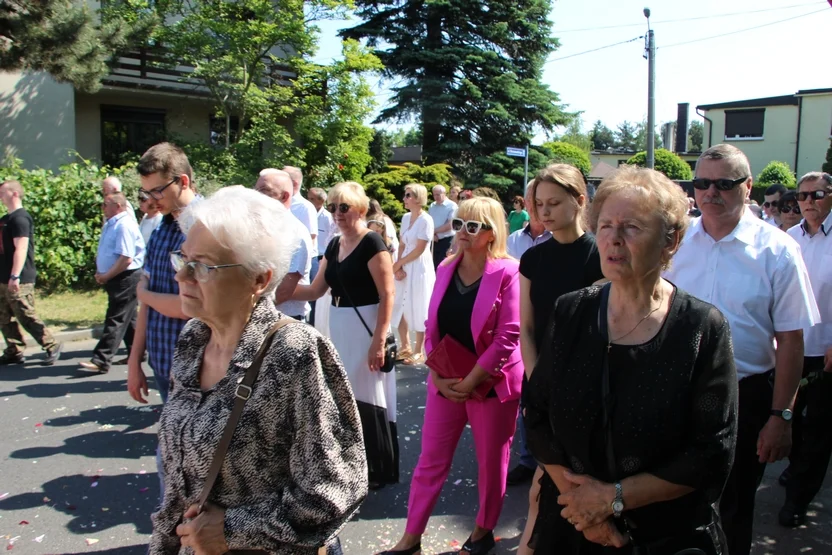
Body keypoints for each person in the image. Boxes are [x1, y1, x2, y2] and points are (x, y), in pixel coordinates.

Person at [525, 166, 739, 554]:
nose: (613, 239)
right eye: (605, 225)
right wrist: (584, 508)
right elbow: (537, 416)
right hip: (571, 525)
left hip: (665, 536)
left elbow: (712, 451)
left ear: (670, 241)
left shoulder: (701, 328)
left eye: (632, 227)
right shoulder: (571, 312)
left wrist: (611, 498)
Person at [148, 186, 367, 555]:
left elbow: (336, 485)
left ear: (260, 279)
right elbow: (178, 486)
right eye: (182, 259)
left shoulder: (295, 351)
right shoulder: (193, 340)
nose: (182, 276)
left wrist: (232, 530)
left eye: (201, 266)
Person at [664, 144, 819, 555]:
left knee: (731, 510)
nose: (711, 192)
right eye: (702, 183)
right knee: (668, 501)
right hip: (675, 392)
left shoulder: (778, 250)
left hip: (743, 396)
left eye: (724, 183)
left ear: (747, 187)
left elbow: (791, 340)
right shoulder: (675, 244)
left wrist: (781, 416)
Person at [381, 197, 521, 555]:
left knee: (491, 464)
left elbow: (508, 335)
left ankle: (482, 532)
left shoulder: (508, 271)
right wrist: (437, 374)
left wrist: (472, 380)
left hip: (490, 383)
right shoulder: (445, 267)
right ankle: (410, 539)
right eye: (458, 224)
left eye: (472, 227)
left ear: (491, 233)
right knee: (430, 461)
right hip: (447, 380)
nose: (461, 232)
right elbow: (432, 326)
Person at [514, 164, 604, 554]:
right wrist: (537, 384)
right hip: (544, 386)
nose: (544, 212)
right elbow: (527, 328)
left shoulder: (602, 254)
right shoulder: (533, 259)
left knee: (560, 485)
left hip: (592, 388)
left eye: (554, 203)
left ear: (580, 201)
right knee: (544, 485)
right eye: (538, 204)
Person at [293, 181, 399, 489]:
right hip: (339, 322)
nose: (337, 213)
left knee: (367, 394)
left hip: (365, 323)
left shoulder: (372, 242)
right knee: (343, 393)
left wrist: (379, 341)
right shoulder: (334, 244)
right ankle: (351, 461)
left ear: (362, 210)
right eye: (333, 207)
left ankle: (378, 467)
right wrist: (273, 290)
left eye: (344, 207)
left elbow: (387, 294)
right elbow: (316, 289)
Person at [780, 171, 832, 527]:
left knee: (818, 428)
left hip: (827, 349)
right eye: (801, 196)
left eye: (817, 194)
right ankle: (796, 470)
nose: (808, 202)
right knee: (792, 419)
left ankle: (798, 498)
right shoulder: (791, 237)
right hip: (794, 344)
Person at [127, 142, 197, 407]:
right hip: (161, 361)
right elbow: (146, 305)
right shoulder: (161, 228)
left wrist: (144, 293)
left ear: (183, 181)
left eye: (157, 190)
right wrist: (135, 362)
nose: (151, 200)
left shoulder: (203, 229)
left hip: (195, 367)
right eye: (145, 192)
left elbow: (192, 306)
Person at [79, 192, 145, 373]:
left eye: (105, 204)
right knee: (129, 317)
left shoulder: (124, 225)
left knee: (115, 318)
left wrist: (107, 275)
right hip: (116, 277)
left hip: (126, 277)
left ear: (117, 206)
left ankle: (101, 360)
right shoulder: (112, 224)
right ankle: (137, 353)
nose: (102, 208)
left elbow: (126, 258)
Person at [0, 180, 62, 366]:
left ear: (15, 194)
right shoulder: (5, 220)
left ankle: (51, 345)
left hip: (19, 277)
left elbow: (21, 248)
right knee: (3, 316)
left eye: (3, 192)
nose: (0, 197)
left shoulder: (20, 218)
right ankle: (14, 350)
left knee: (25, 314)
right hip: (3, 276)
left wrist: (15, 275)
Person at [255, 169, 313, 322]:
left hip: (284, 323)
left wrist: (245, 310)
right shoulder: (259, 229)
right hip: (258, 319)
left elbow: (283, 291)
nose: (256, 197)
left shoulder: (295, 233)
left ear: (285, 196)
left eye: (264, 191)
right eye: (255, 191)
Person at [392, 184, 436, 365]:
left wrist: (400, 263)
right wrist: (399, 266)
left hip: (419, 266)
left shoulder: (426, 220)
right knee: (399, 303)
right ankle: (405, 346)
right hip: (404, 263)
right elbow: (403, 243)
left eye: (408, 195)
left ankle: (419, 350)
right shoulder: (405, 217)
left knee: (418, 304)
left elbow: (420, 249)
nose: (404, 199)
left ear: (418, 198)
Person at [283, 165, 318, 254]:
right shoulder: (278, 203)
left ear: (294, 184)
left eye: (283, 179)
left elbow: (311, 239)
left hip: (299, 262)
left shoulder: (305, 207)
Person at [428, 185, 456, 269]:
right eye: (434, 195)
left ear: (444, 193)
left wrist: (434, 231)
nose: (436, 197)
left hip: (446, 240)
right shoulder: (432, 205)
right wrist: (433, 234)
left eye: (438, 194)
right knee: (432, 265)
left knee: (443, 265)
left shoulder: (452, 206)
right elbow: (429, 221)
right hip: (434, 239)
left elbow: (450, 224)